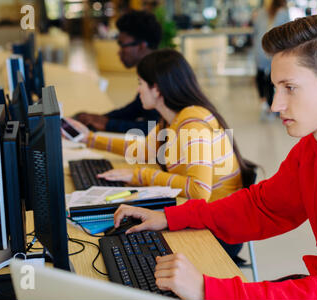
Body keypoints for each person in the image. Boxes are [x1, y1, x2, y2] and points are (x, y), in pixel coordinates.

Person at [110, 14, 317, 300]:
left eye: (290, 88)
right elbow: (263, 207)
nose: (276, 104)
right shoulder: (314, 146)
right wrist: (170, 217)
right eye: (276, 88)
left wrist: (206, 291)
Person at [67, 49, 257, 264]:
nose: (138, 90)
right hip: (200, 216)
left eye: (140, 83)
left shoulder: (192, 124)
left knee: (130, 246)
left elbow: (198, 191)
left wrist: (143, 176)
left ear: (156, 88)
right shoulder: (173, 119)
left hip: (219, 231)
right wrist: (88, 138)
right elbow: (143, 150)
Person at [74, 10, 162, 135]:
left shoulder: (159, 75)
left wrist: (107, 123)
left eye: (122, 45)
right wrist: (101, 118)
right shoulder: (152, 68)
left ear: (142, 46)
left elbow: (153, 128)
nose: (119, 52)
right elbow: (135, 108)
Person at [252, 0, 290, 121]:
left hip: (259, 48)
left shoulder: (260, 12)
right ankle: (271, 106)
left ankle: (264, 102)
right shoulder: (284, 13)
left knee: (260, 75)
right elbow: (288, 35)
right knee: (271, 78)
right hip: (273, 49)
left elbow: (255, 31)